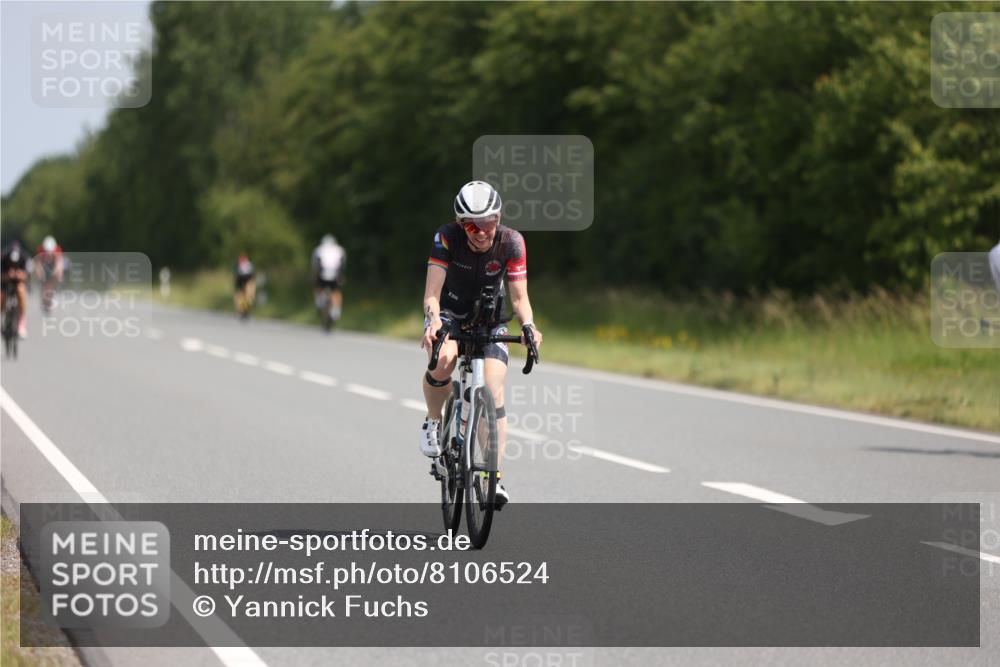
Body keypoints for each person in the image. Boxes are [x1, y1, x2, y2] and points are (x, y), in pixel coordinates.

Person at [419, 181, 543, 509]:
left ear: (498, 219)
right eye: (472, 225)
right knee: (443, 361)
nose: (481, 231)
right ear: (461, 224)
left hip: (491, 319)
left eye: (488, 223)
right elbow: (432, 294)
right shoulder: (447, 237)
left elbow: (520, 299)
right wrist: (432, 321)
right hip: (449, 313)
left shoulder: (512, 242)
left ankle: (493, 477)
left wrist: (529, 326)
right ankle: (433, 421)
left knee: (493, 388)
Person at [311, 234, 346, 324]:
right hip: (335, 273)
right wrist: (341, 275)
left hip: (322, 273)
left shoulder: (318, 249)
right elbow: (342, 264)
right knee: (336, 291)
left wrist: (315, 276)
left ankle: (319, 302)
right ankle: (336, 310)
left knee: (318, 287)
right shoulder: (339, 249)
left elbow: (315, 264)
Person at [1, 241, 29, 338]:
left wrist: (18, 274)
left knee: (21, 291)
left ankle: (21, 324)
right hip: (4, 281)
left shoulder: (23, 257)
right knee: (1, 296)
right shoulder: (3, 257)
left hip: (18, 281)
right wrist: (7, 275)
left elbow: (27, 275)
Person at [34, 235, 64, 314]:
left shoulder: (57, 249)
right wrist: (40, 275)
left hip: (53, 266)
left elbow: (59, 264)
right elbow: (38, 264)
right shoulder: (40, 249)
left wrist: (56, 274)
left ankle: (53, 293)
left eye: (50, 252)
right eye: (46, 252)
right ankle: (44, 299)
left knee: (58, 277)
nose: (48, 254)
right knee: (42, 281)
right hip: (44, 266)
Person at [233, 253, 256, 319]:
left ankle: (243, 310)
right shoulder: (248, 265)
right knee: (244, 298)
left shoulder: (241, 266)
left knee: (245, 297)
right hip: (245, 282)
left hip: (246, 282)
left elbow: (237, 278)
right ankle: (243, 310)